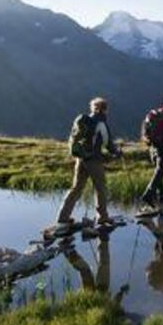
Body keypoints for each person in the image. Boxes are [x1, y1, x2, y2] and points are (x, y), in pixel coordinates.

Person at [55, 97, 121, 230]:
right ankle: (102, 217)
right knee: (100, 188)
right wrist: (117, 152)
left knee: (76, 188)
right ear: (105, 109)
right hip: (94, 161)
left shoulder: (85, 121)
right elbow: (108, 144)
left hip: (81, 159)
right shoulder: (101, 123)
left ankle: (63, 219)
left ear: (93, 108)